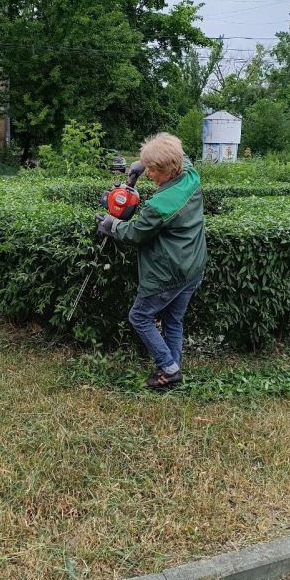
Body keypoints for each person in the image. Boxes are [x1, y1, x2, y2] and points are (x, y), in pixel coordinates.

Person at [96, 132, 207, 390]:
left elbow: (136, 234)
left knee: (139, 317)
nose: (149, 176)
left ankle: (167, 368)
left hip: (169, 274)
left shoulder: (159, 205)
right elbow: (176, 150)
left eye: (153, 171)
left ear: (168, 170)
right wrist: (141, 162)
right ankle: (172, 370)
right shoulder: (190, 174)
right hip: (193, 266)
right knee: (173, 319)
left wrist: (113, 225)